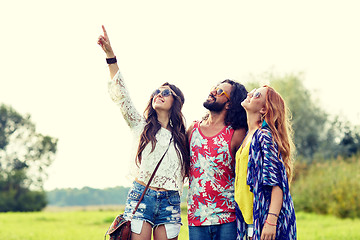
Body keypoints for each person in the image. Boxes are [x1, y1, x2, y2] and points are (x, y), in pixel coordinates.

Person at [98, 25, 190, 240]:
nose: (159, 94)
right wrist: (111, 57)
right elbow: (122, 96)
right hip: (142, 196)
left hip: (171, 201)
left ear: (176, 101)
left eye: (166, 92)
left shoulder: (184, 136)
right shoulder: (140, 125)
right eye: (157, 91)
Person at [187, 80, 248, 240]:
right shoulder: (192, 130)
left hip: (228, 217)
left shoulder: (236, 133)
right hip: (197, 217)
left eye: (220, 91)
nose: (213, 91)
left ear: (229, 104)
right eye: (214, 88)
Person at [235, 86, 297, 240]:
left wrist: (271, 222)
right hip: (248, 220)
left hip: (263, 220)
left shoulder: (264, 137)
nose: (249, 93)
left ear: (263, 109)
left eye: (256, 95)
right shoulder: (247, 135)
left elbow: (277, 185)